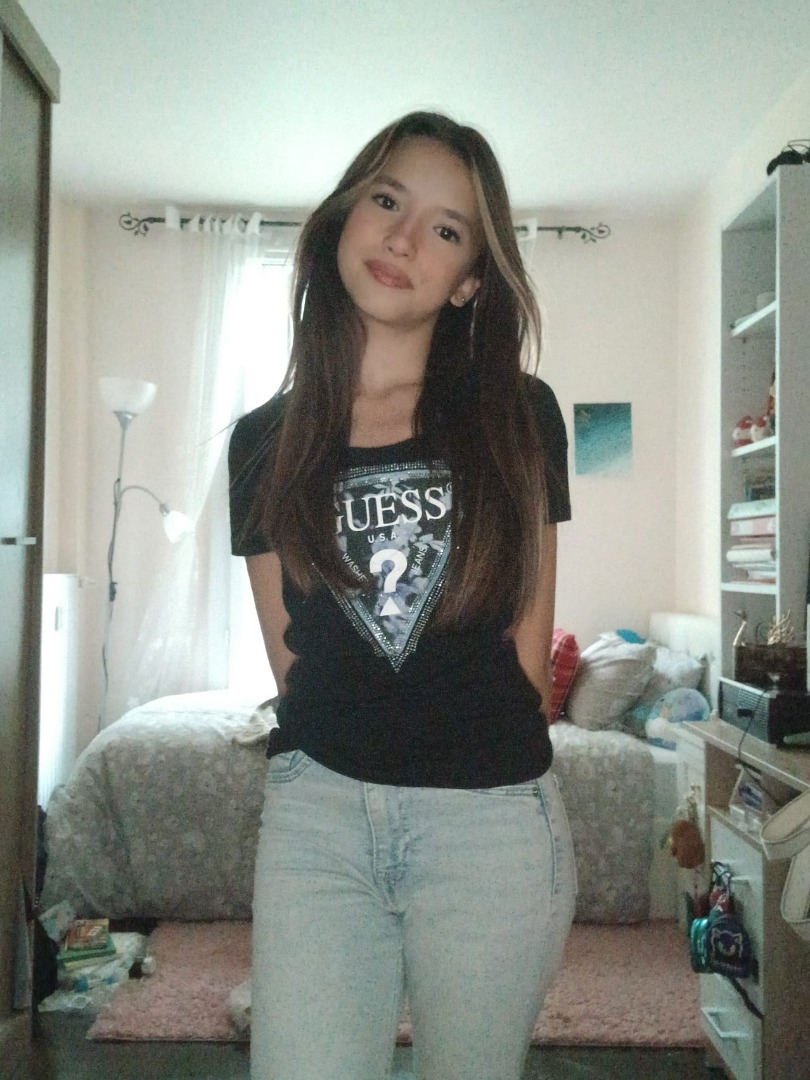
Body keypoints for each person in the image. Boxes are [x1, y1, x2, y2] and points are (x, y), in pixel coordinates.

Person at [228, 110, 576, 1080]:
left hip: (488, 825)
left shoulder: (520, 417)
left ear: (469, 280)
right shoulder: (261, 442)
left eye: (446, 228)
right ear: (345, 215)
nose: (403, 237)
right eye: (387, 200)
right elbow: (293, 661)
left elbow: (530, 650)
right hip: (318, 820)